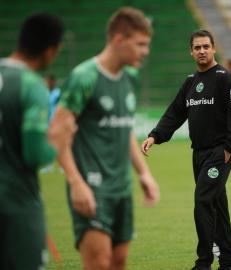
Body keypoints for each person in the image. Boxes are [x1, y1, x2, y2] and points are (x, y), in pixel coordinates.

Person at [50, 7, 160, 270]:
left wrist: (143, 173)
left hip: (121, 188)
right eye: (140, 44)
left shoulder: (130, 78)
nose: (145, 52)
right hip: (92, 187)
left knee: (118, 262)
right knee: (99, 263)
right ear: (119, 40)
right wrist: (76, 182)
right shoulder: (84, 78)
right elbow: (57, 135)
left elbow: (125, 129)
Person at [142, 29, 231, 270]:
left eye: (206, 46)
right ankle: (228, 262)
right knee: (217, 204)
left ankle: (203, 262)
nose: (201, 51)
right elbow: (175, 113)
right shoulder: (190, 82)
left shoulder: (225, 78)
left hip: (220, 152)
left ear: (214, 48)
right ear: (191, 51)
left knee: (202, 200)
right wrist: (155, 136)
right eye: (197, 47)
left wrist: (229, 148)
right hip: (198, 153)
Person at [0, 13, 68, 269]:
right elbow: (36, 155)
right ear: (50, 50)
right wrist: (60, 138)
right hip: (16, 207)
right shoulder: (31, 86)